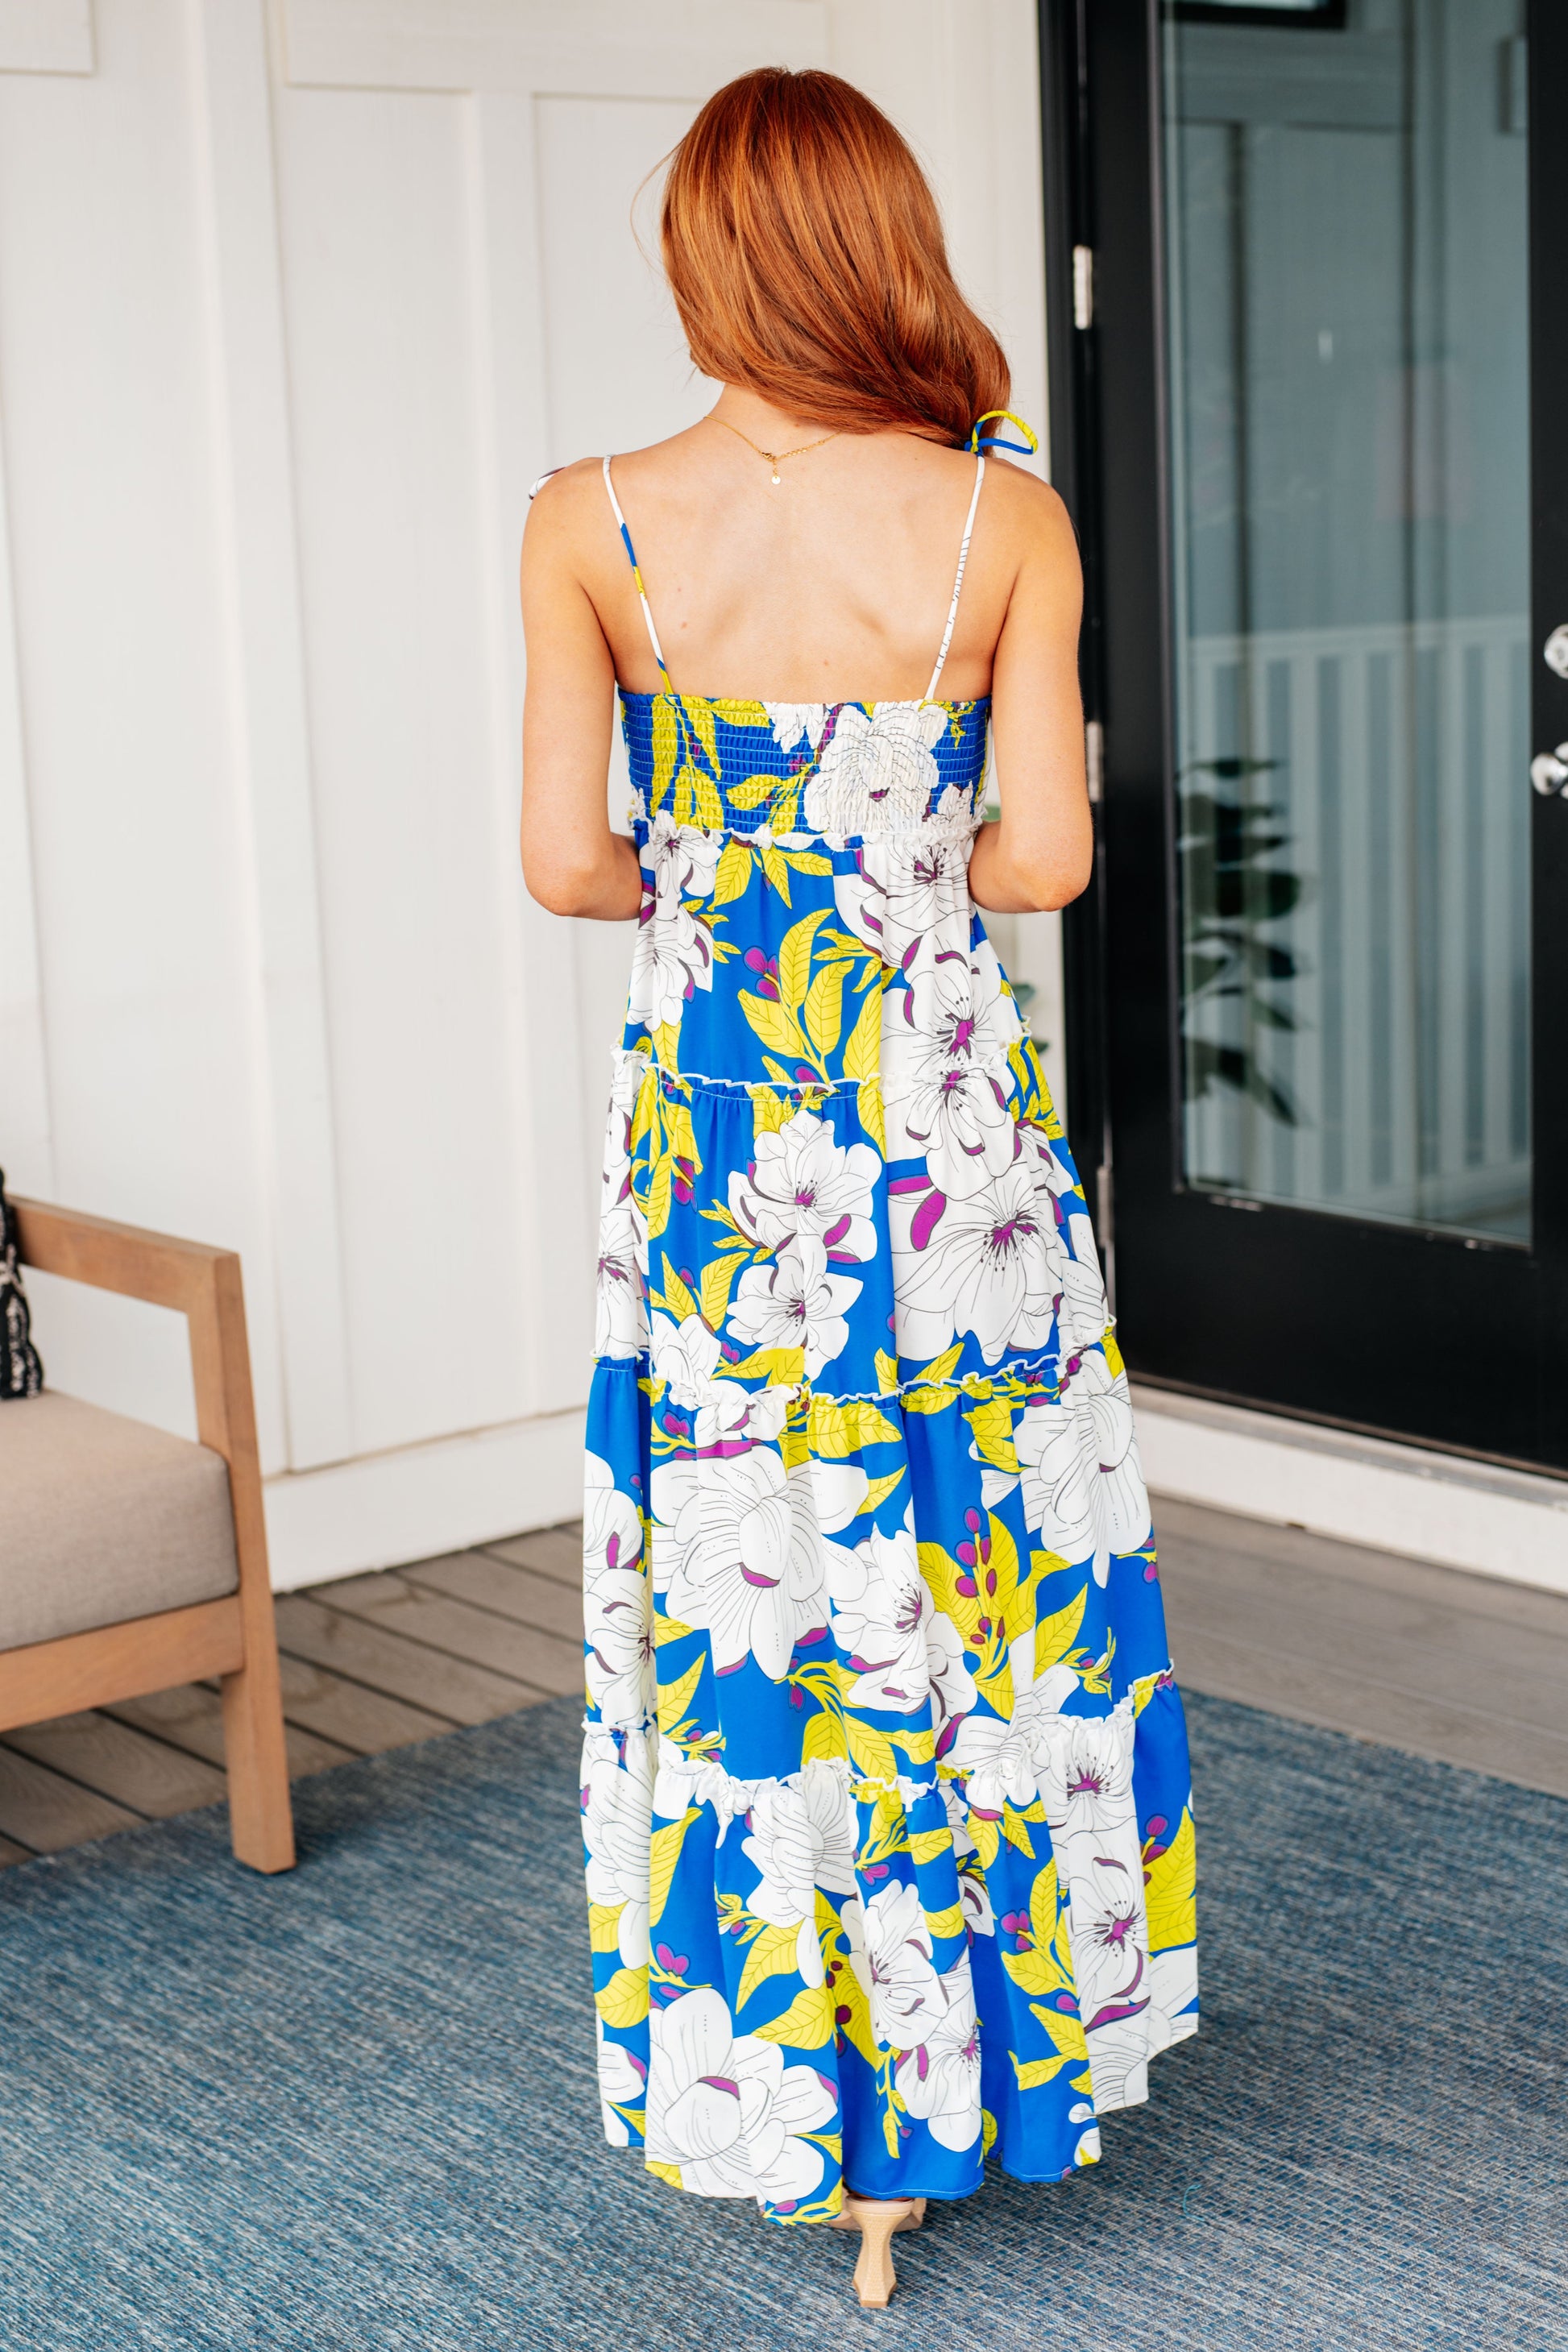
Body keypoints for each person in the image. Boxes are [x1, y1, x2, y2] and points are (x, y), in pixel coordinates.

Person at [519, 65, 1197, 2308]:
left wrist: (736, 884)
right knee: (970, 1572)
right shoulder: (1003, 519)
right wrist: (895, 871)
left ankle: (798, 2085)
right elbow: (1046, 857)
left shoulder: (588, 521)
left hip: (725, 1148)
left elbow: (564, 864)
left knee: (760, 1586)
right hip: (940, 1149)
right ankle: (975, 2066)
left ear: (702, 261)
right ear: (883, 247)